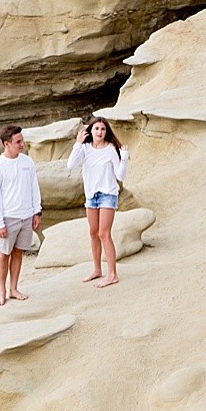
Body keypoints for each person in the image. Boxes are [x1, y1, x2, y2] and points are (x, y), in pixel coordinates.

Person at [66, 117, 129, 288]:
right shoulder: (85, 149)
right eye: (96, 129)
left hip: (108, 194)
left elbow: (120, 176)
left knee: (103, 233)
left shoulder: (110, 150)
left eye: (102, 129)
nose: (100, 132)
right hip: (91, 196)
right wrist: (78, 144)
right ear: (90, 131)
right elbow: (70, 165)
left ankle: (113, 274)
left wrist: (123, 159)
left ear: (106, 131)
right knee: (93, 233)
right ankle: (97, 270)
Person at [0, 125, 42, 306]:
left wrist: (37, 211)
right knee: (4, 254)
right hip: (8, 218)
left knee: (18, 252)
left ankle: (14, 288)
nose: (22, 144)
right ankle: (1, 291)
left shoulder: (27, 162)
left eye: (22, 140)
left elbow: (35, 188)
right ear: (6, 144)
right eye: (18, 142)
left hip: (26, 216)